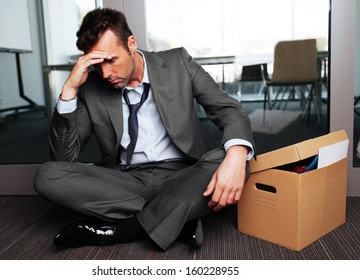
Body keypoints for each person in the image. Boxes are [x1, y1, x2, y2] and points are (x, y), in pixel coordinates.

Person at [34, 7, 255, 251]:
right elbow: (64, 158)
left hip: (183, 175)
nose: (105, 73)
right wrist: (70, 90)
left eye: (110, 60)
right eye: (98, 65)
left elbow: (228, 110)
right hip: (126, 179)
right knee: (48, 175)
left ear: (131, 43)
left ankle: (124, 229)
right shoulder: (92, 86)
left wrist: (236, 155)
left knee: (233, 156)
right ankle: (177, 217)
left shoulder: (178, 62)